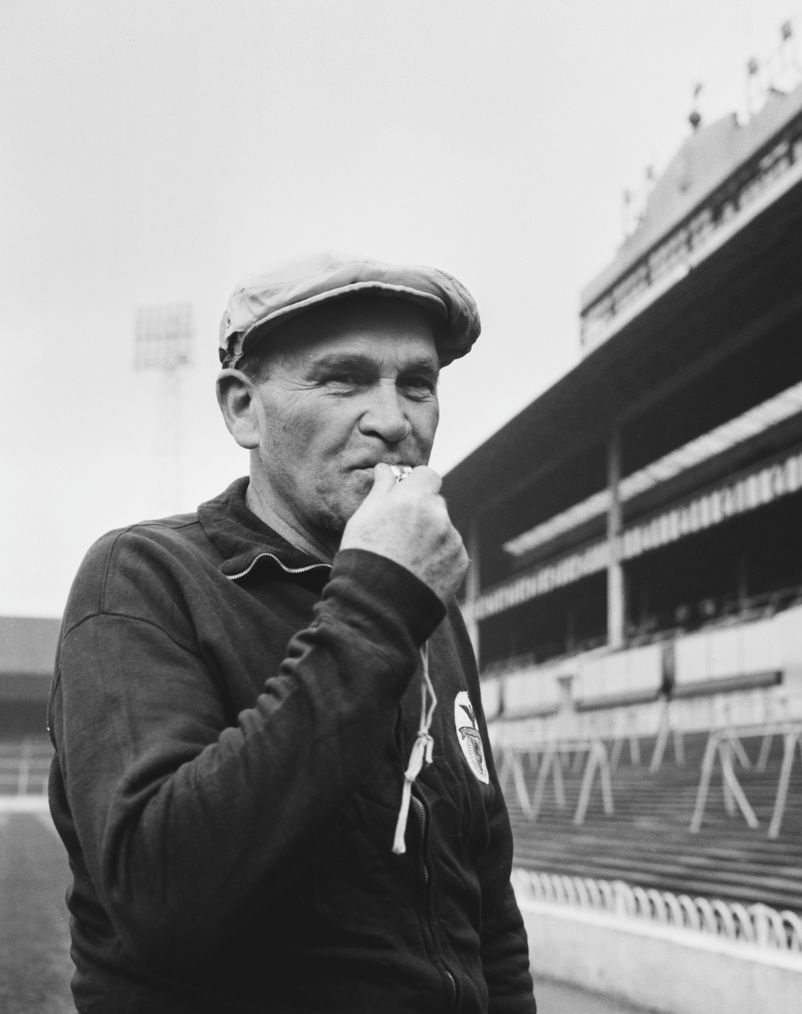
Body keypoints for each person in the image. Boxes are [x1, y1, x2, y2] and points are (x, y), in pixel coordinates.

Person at [47, 253, 536, 1013]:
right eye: (343, 379)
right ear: (244, 409)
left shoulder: (432, 617)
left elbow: (488, 913)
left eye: (418, 383)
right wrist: (379, 605)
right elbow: (162, 897)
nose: (394, 419)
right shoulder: (143, 580)